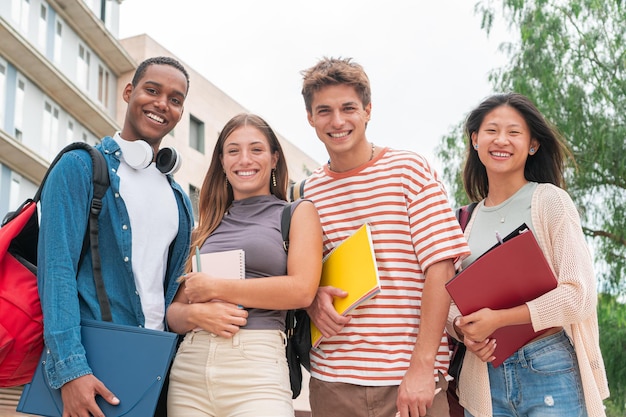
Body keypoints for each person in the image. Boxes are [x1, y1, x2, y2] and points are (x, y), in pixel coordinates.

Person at [298, 57, 470, 417]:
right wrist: (311, 297)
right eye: (324, 111)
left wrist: (422, 368)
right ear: (311, 118)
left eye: (348, 108)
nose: (338, 121)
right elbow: (301, 278)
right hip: (332, 382)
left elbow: (441, 268)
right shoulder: (306, 192)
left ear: (368, 111)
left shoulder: (408, 170)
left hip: (409, 381)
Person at [37, 56, 194, 417]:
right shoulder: (79, 167)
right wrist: (72, 371)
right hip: (95, 367)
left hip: (158, 367)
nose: (161, 104)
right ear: (129, 91)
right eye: (151, 90)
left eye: (175, 99)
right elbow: (56, 272)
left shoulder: (178, 199)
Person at [447, 93, 609, 417]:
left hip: (550, 364)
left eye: (514, 132)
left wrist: (500, 319)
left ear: (533, 144)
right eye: (491, 130)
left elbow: (579, 297)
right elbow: (448, 303)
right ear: (475, 140)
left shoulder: (551, 201)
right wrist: (463, 328)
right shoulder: (462, 219)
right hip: (485, 377)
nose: (501, 140)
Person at [165, 113, 322, 417]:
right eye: (233, 151)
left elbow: (302, 290)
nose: (244, 159)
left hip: (257, 368)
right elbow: (174, 314)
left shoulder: (297, 213)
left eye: (257, 149)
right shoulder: (206, 227)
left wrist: (218, 288)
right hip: (191, 371)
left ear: (274, 158)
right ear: (222, 161)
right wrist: (196, 313)